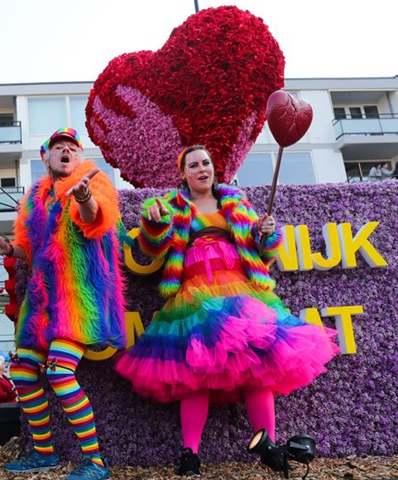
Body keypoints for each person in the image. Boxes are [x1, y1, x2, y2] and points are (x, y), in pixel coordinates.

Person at [115, 145, 339, 476]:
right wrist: (154, 223)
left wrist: (267, 235)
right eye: (194, 165)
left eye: (205, 162)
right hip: (194, 296)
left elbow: (263, 254)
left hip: (240, 292)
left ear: (213, 168)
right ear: (184, 173)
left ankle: (268, 446)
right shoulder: (172, 206)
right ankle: (190, 454)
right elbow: (153, 247)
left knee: (258, 369)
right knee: (193, 378)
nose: (202, 168)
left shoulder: (236, 203)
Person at [0, 127, 125, 480]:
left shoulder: (91, 182)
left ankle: (96, 462)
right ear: (45, 157)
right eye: (59, 147)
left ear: (79, 157)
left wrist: (84, 197)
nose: (66, 152)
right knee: (22, 372)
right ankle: (43, 454)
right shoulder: (36, 197)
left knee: (60, 372)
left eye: (72, 149)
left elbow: (95, 220)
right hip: (40, 302)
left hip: (76, 299)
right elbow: (31, 249)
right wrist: (9, 249)